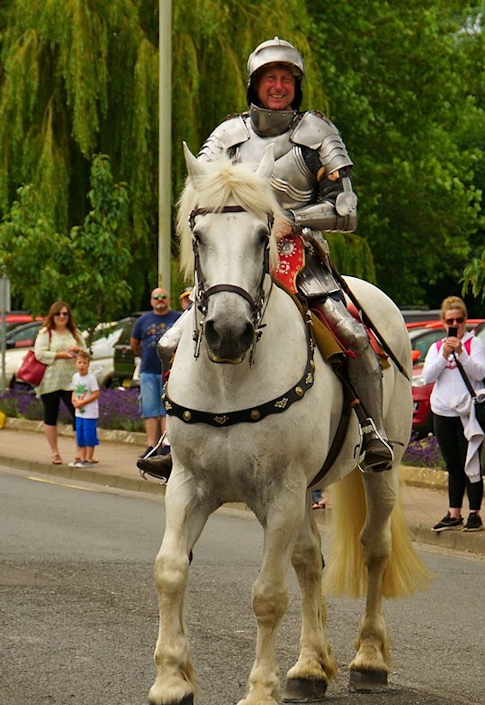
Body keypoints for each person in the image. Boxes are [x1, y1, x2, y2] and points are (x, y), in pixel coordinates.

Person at [140, 37, 393, 483]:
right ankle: (170, 438)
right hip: (233, 261)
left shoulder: (316, 132)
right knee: (166, 344)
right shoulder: (226, 136)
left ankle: (372, 431)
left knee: (353, 335)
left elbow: (347, 208)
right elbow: (199, 193)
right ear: (254, 85)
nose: (277, 87)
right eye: (269, 79)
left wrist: (291, 218)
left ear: (296, 85)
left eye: (286, 79)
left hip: (300, 259)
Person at [422, 296, 485, 532]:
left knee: (470, 461)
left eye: (459, 320)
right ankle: (453, 513)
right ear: (443, 322)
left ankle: (474, 512)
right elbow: (427, 376)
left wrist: (461, 353)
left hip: (468, 412)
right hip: (443, 412)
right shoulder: (436, 347)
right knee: (453, 464)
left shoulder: (474, 344)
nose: (455, 324)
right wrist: (444, 356)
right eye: (450, 320)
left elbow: (480, 373)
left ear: (465, 320)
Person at [34, 301, 86, 465]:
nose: (62, 317)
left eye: (65, 314)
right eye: (58, 314)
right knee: (51, 416)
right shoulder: (45, 333)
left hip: (72, 382)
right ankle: (54, 452)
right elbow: (39, 354)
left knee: (77, 414)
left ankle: (80, 451)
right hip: (50, 381)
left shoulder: (74, 333)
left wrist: (79, 352)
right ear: (52, 316)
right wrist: (60, 355)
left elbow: (86, 352)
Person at [130, 288, 180, 457]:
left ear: (169, 299)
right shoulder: (143, 320)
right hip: (148, 371)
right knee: (150, 410)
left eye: (163, 297)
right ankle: (151, 446)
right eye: (156, 297)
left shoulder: (178, 318)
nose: (160, 300)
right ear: (151, 301)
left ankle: (166, 446)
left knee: (168, 409)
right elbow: (134, 344)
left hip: (173, 372)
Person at [70, 349, 100, 467]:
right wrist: (74, 400)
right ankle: (81, 458)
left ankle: (89, 458)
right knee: (80, 435)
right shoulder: (75, 377)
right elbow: (74, 391)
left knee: (89, 435)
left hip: (89, 413)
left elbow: (95, 393)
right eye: (79, 362)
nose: (81, 365)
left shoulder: (91, 378)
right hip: (79, 413)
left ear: (88, 364)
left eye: (84, 363)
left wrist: (84, 402)